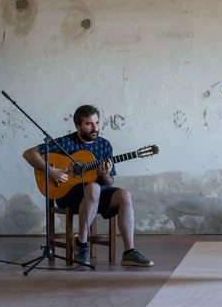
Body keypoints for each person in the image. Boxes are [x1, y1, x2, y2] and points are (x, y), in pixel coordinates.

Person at [22, 104, 153, 267]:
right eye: (89, 124)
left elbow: (110, 182)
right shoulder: (65, 143)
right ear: (78, 126)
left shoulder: (104, 145)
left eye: (97, 123)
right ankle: (81, 243)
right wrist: (51, 171)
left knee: (124, 194)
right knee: (93, 187)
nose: (95, 128)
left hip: (95, 194)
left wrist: (105, 174)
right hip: (67, 194)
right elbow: (29, 154)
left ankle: (129, 252)